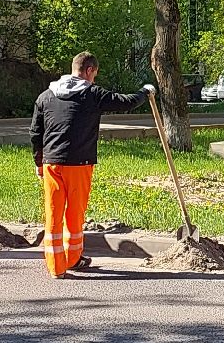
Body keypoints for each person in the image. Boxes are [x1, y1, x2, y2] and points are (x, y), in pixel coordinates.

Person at [30, 51, 150, 277]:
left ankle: (56, 267)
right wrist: (145, 92)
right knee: (75, 214)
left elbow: (36, 132)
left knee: (53, 212)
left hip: (51, 163)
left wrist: (38, 160)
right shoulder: (92, 93)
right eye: (94, 74)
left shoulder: (46, 95)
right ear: (89, 71)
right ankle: (73, 258)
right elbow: (126, 103)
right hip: (79, 163)